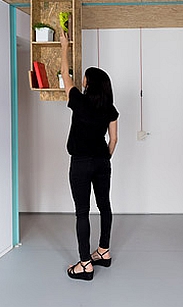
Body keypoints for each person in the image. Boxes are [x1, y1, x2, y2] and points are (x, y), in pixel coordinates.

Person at [60, 29, 119, 281]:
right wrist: (104, 158)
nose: (82, 79)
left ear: (88, 82)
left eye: (85, 77)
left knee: (82, 212)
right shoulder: (110, 108)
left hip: (81, 164)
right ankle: (103, 252)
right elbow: (114, 138)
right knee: (104, 205)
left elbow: (64, 74)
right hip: (102, 162)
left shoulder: (78, 100)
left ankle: (85, 264)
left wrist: (64, 47)